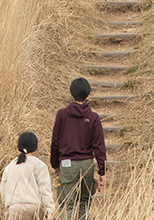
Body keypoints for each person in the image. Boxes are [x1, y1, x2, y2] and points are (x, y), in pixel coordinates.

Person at [50, 78, 106, 220]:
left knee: (67, 204)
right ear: (87, 94)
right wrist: (102, 171)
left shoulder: (61, 115)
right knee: (83, 204)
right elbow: (99, 146)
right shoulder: (93, 118)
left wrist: (55, 164)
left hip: (67, 164)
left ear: (71, 93)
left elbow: (55, 141)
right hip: (86, 165)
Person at [0, 131, 55, 220]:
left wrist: (8, 205)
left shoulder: (10, 166)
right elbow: (45, 190)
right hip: (34, 209)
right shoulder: (39, 165)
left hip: (14, 209)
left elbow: (3, 189)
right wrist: (50, 210)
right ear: (35, 147)